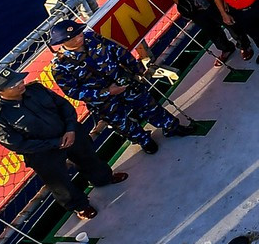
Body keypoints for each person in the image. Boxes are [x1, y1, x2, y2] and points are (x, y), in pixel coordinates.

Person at [0, 68, 125, 219]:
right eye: (13, 85)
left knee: (88, 155)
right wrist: (55, 143)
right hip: (42, 151)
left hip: (68, 132)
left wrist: (70, 129)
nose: (20, 85)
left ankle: (103, 178)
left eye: (20, 80)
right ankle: (80, 206)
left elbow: (64, 106)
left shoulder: (37, 89)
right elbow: (18, 145)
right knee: (59, 182)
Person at [46, 20, 197, 153]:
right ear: (62, 42)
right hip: (103, 100)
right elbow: (74, 92)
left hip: (124, 82)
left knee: (149, 105)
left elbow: (118, 51)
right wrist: (107, 92)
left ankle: (171, 126)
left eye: (79, 34)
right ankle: (143, 140)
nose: (79, 38)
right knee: (122, 123)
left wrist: (136, 69)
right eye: (73, 38)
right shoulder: (59, 66)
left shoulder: (93, 38)